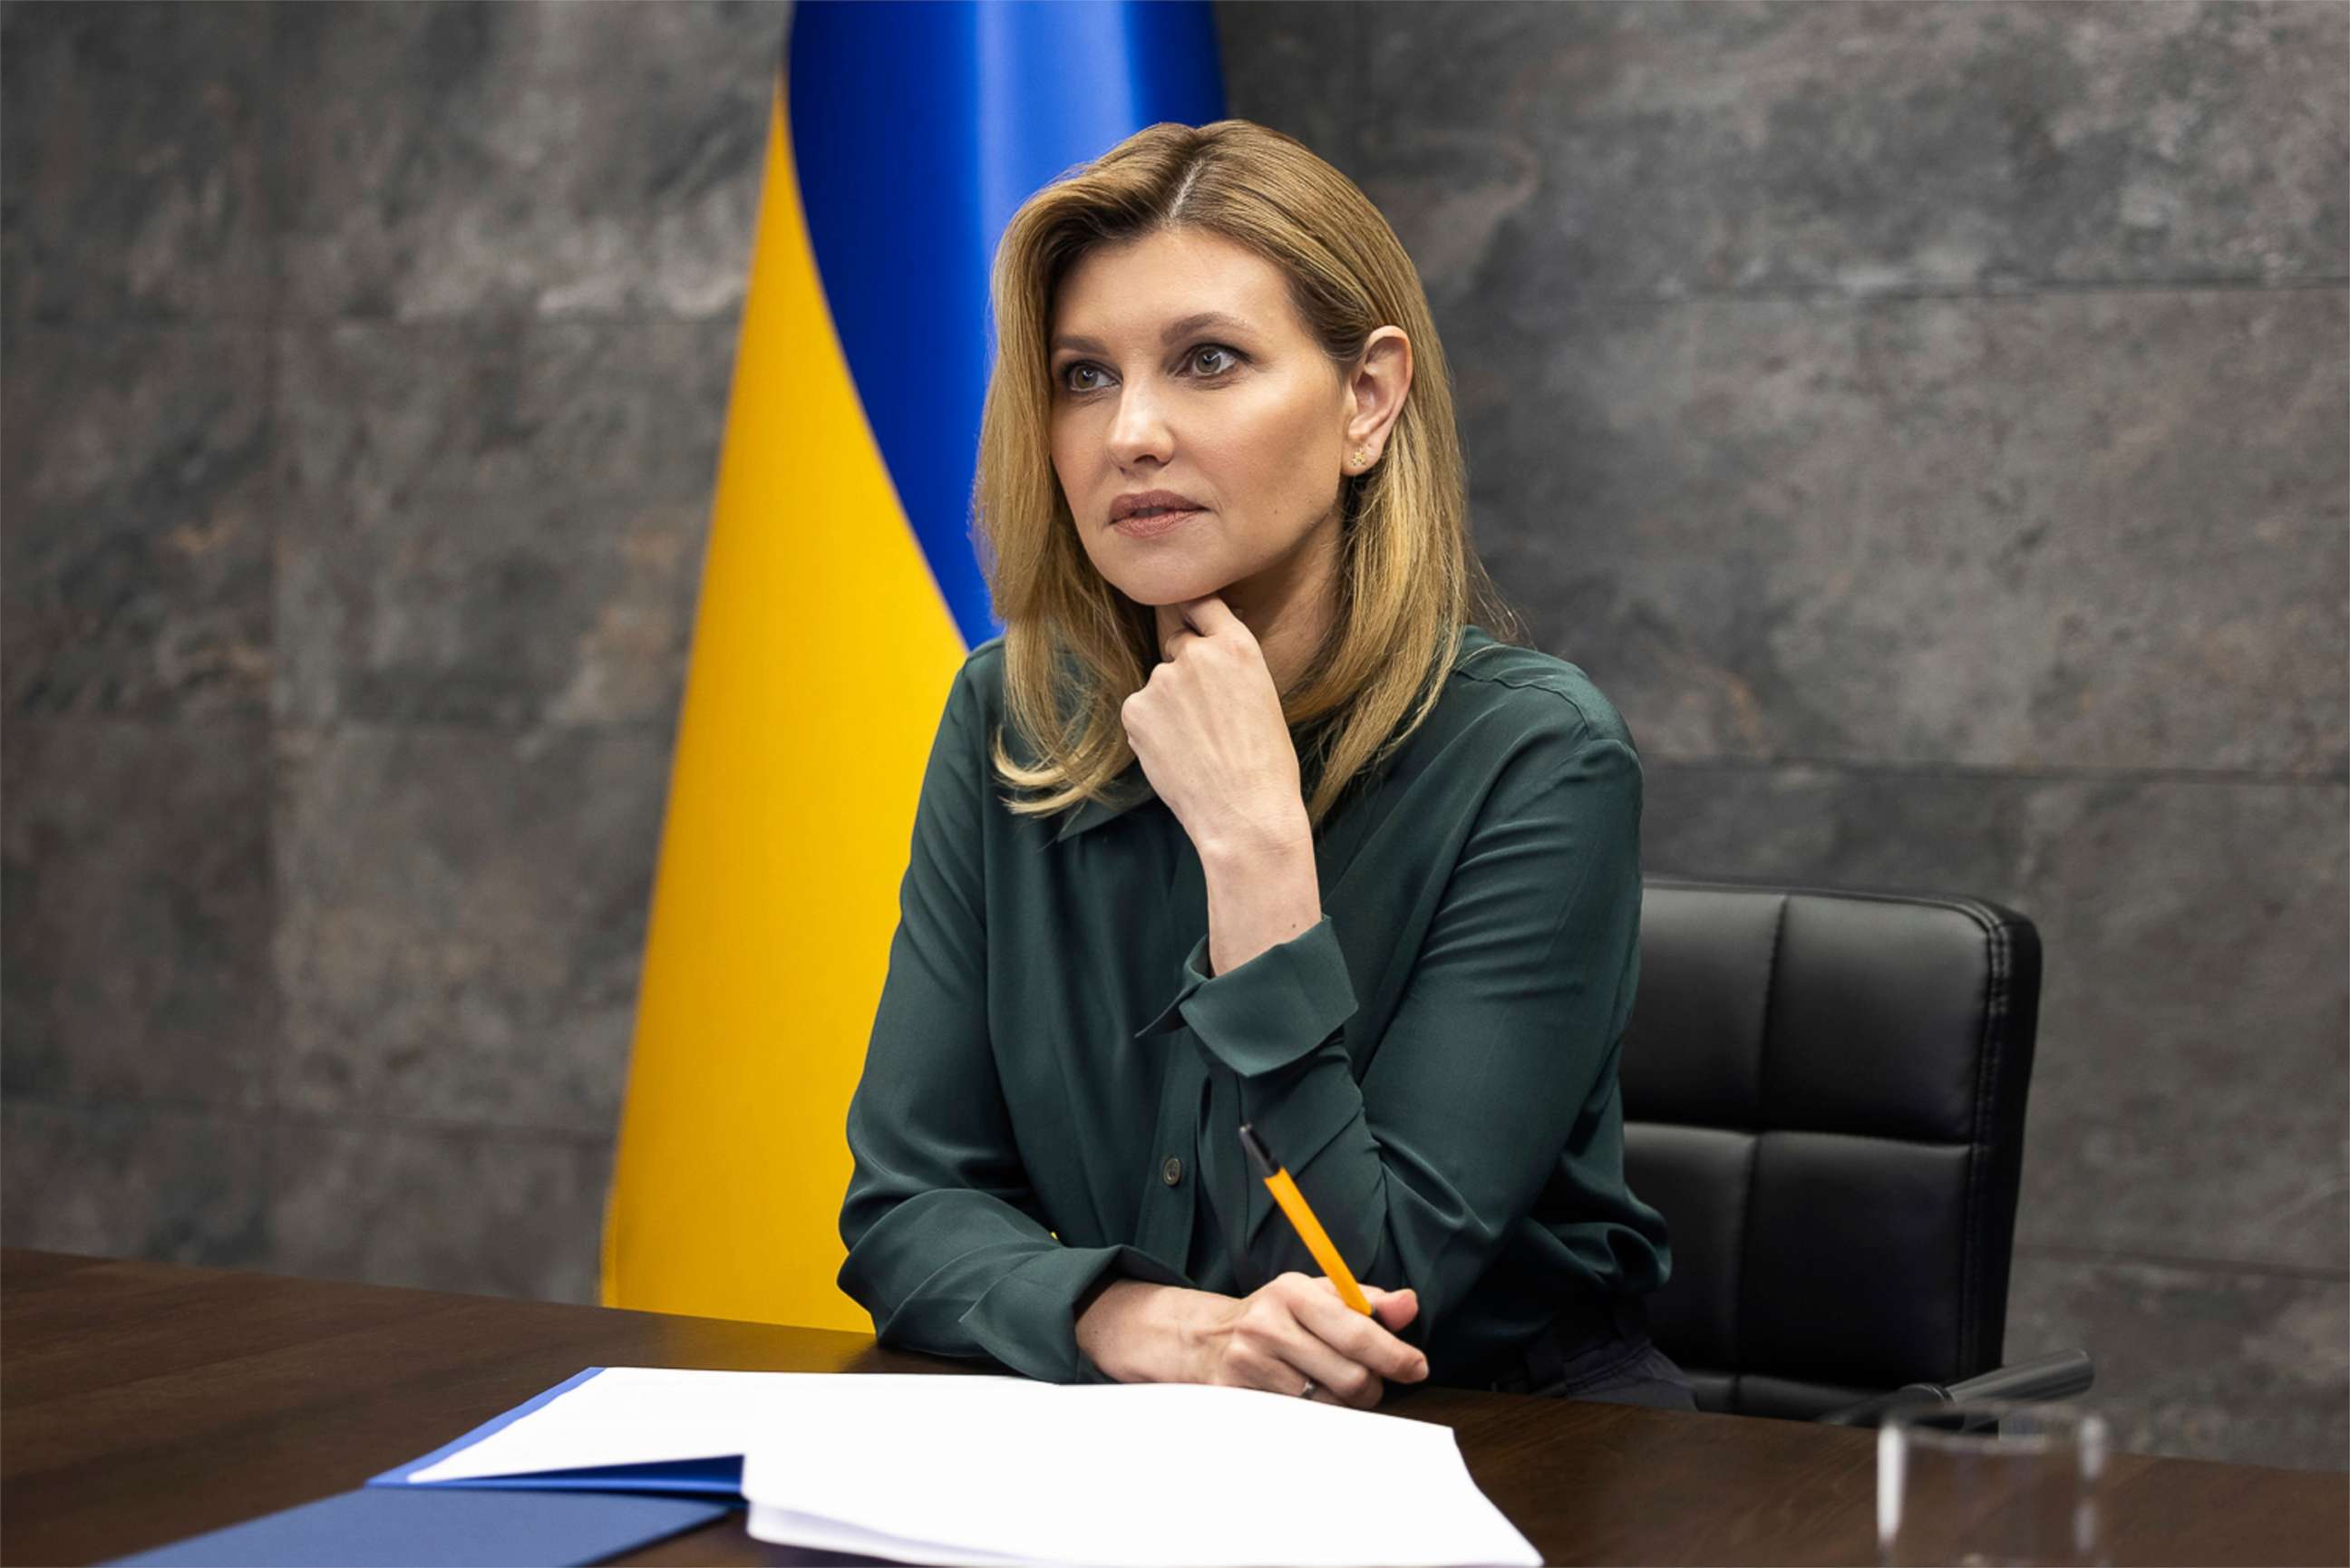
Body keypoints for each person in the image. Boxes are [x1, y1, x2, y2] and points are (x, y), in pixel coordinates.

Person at [836, 118, 1695, 1414]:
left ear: (1367, 398)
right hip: (1122, 1447)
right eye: (1082, 376)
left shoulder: (1539, 756)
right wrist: (1143, 1322)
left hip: (1497, 1455)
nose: (1129, 432)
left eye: (1207, 361)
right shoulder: (1008, 716)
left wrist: (1254, 855)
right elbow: (904, 1212)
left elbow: (1367, 1300)